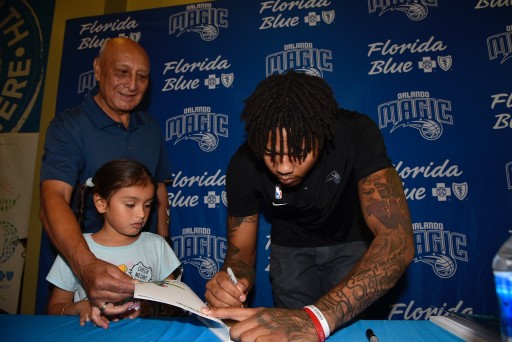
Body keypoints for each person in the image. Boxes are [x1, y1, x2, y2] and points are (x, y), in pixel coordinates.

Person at [202, 70, 414, 340]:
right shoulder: (243, 165)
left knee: (347, 331)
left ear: (324, 136)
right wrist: (232, 281)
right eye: (270, 153)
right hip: (289, 249)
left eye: (299, 152)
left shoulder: (356, 133)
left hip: (350, 242)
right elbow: (240, 255)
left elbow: (397, 242)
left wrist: (316, 318)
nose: (284, 167)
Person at [39, 37, 171, 316]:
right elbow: (53, 199)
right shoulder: (69, 127)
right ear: (98, 69)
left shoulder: (151, 128)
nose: (132, 84)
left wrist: (163, 245)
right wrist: (87, 266)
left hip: (141, 269)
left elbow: (159, 191)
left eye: (142, 76)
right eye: (122, 72)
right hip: (84, 265)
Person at [46, 160, 180, 328]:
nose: (141, 214)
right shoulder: (74, 249)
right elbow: (54, 308)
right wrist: (79, 307)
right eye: (130, 205)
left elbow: (174, 301)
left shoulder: (157, 245)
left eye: (147, 205)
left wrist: (149, 306)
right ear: (101, 203)